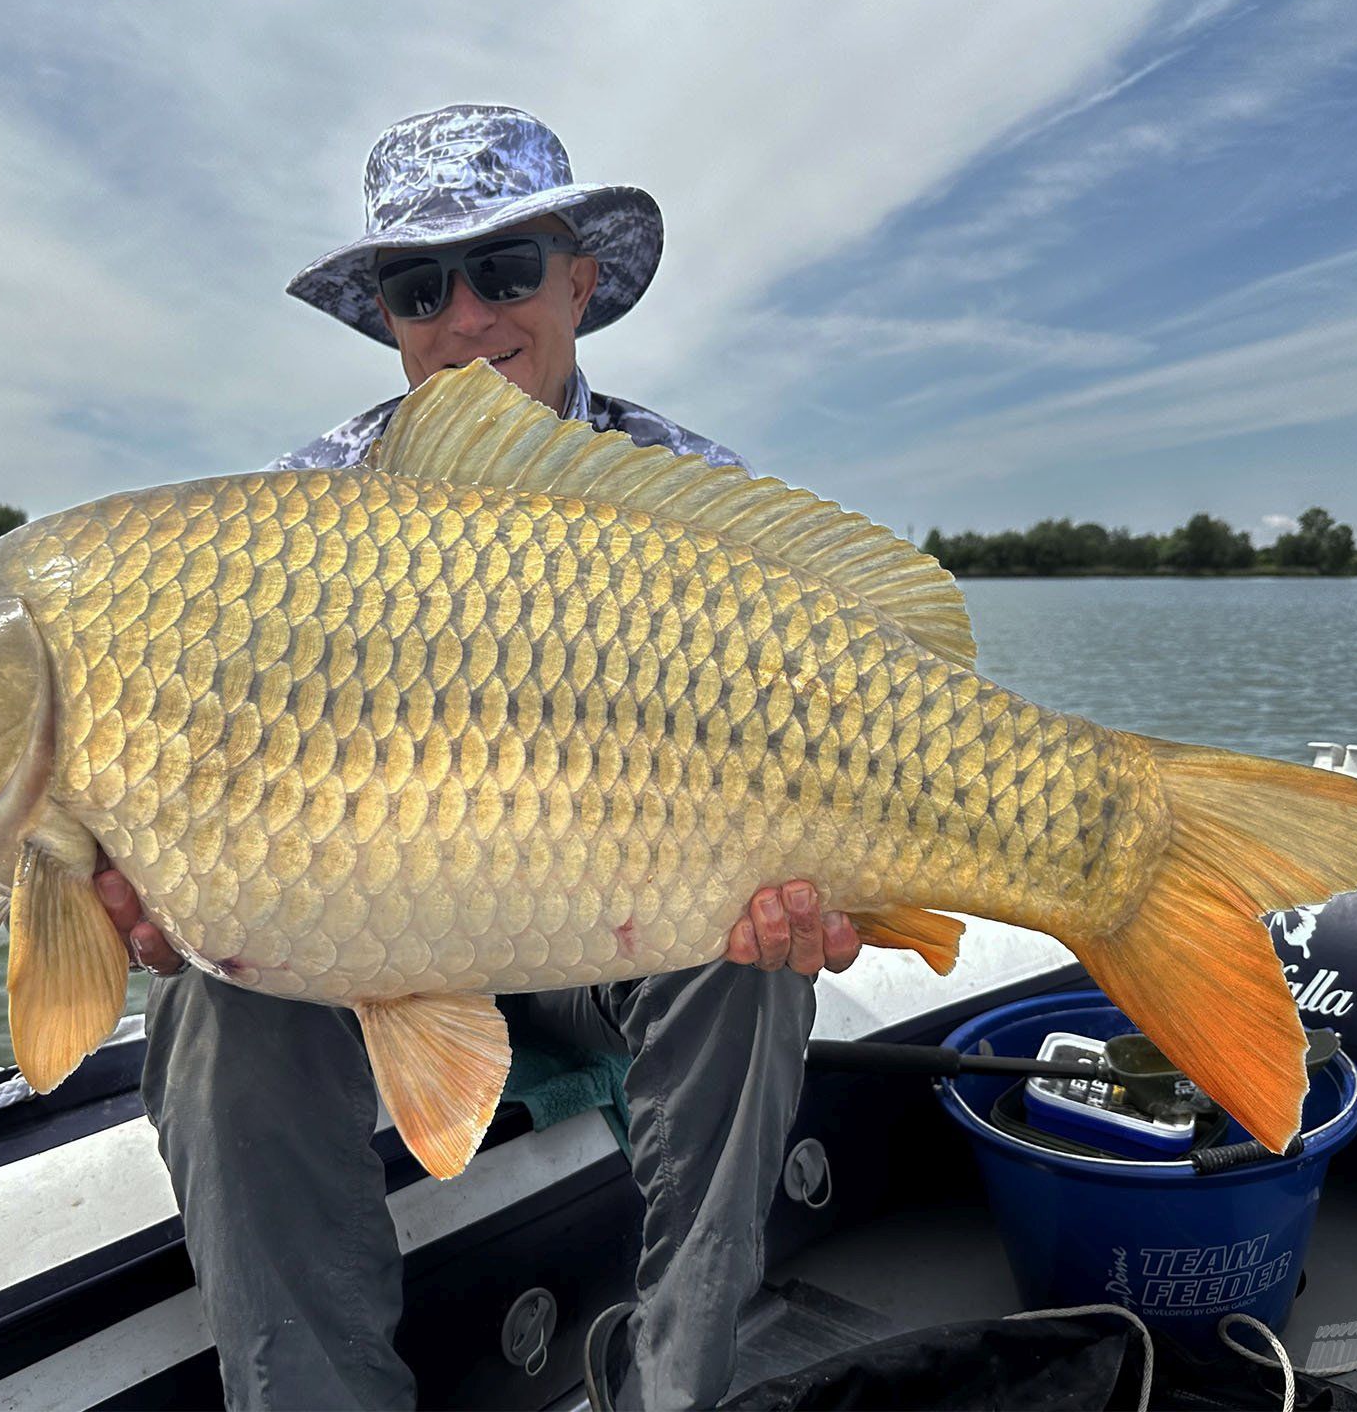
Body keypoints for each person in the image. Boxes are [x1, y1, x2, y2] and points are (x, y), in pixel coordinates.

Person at [97, 104, 859, 1410]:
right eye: (417, 285)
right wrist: (154, 874)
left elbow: (827, 728)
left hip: (601, 934)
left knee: (747, 959)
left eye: (504, 271)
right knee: (207, 994)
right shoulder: (300, 507)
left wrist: (840, 891)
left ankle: (679, 1382)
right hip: (362, 935)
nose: (465, 317)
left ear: (578, 281)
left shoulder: (691, 490)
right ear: (386, 315)